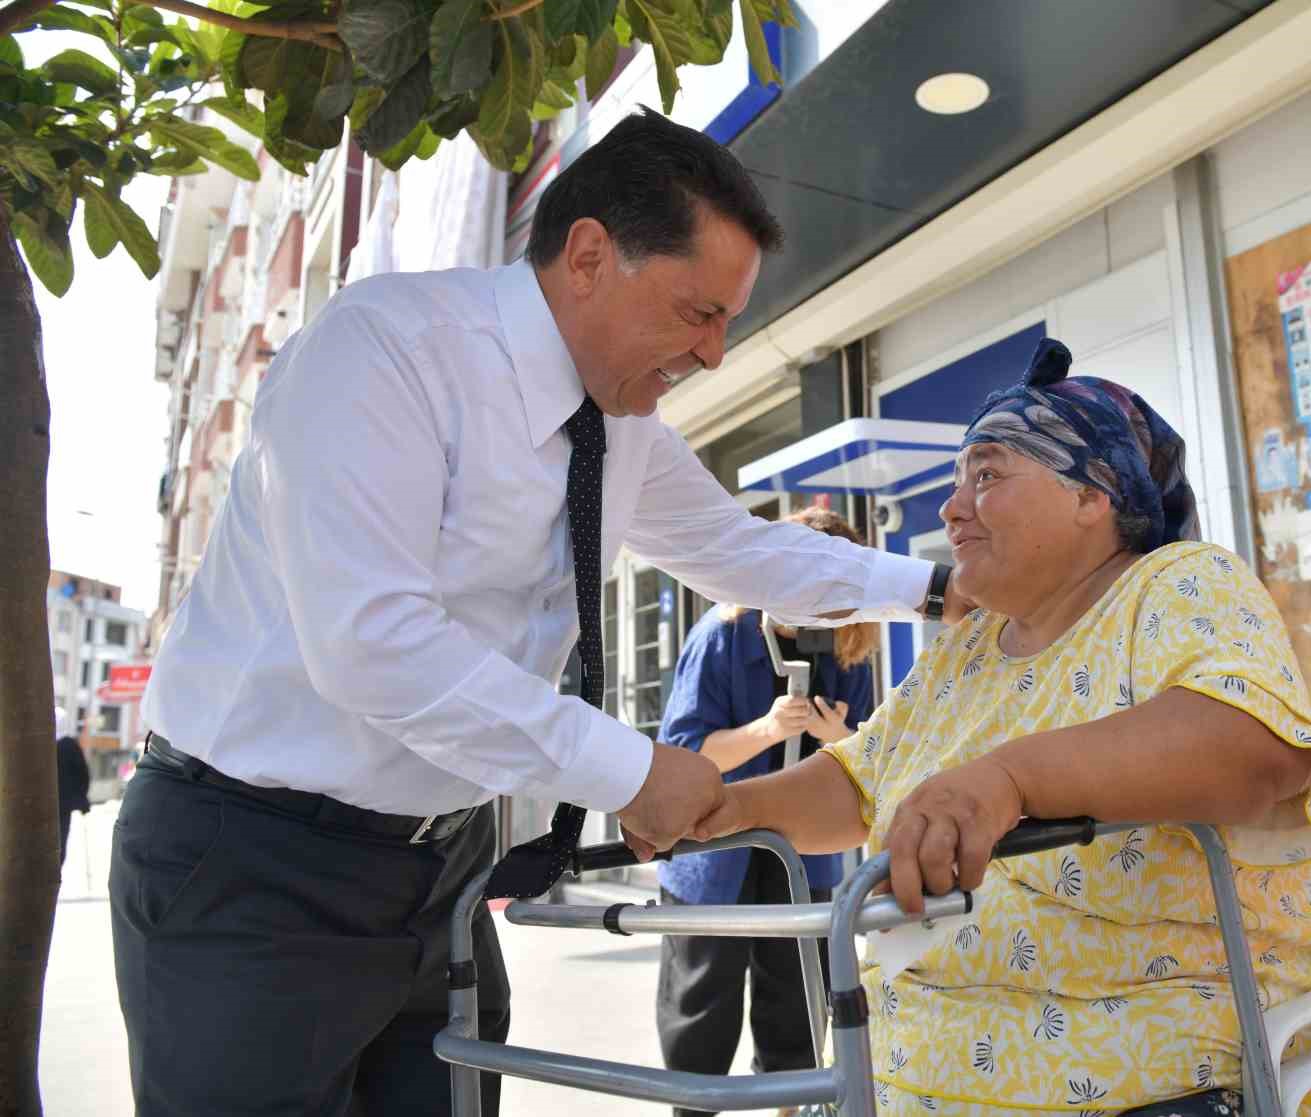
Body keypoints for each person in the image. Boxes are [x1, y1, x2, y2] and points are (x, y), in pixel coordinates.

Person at [110, 108, 962, 1117]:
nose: (717, 356)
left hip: (441, 869)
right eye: (699, 314)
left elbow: (738, 549)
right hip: (255, 864)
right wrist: (631, 770)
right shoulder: (383, 352)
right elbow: (371, 644)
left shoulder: (621, 420)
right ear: (590, 255)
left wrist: (936, 588)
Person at [696, 339, 1311, 1116]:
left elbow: (1254, 747)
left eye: (986, 475)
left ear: (1096, 494)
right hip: (907, 1069)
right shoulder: (971, 643)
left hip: (1175, 1077)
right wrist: (729, 805)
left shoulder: (1179, 583)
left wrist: (1008, 780)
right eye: (957, 482)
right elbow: (860, 778)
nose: (953, 509)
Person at [655, 506, 880, 1117]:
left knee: (798, 1011)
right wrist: (764, 729)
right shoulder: (722, 635)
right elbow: (683, 754)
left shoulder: (851, 643)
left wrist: (841, 740)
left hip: (802, 857)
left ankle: (794, 1109)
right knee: (701, 1012)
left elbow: (873, 759)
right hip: (714, 857)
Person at [55, 735, 90, 868]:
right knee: (58, 847)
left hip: (57, 805)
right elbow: (83, 774)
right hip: (63, 806)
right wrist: (81, 798)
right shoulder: (69, 745)